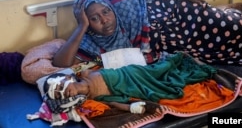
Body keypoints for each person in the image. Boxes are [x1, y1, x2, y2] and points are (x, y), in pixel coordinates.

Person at [52, 0, 242, 68]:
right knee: (215, 48)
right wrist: (82, 26)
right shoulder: (87, 38)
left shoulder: (120, 1)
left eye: (106, 12)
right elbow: (60, 64)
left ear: (110, 7)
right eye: (94, 18)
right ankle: (232, 12)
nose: (104, 20)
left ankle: (234, 13)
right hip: (169, 40)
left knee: (233, 26)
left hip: (174, 12)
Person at [47, 52, 217, 113]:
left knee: (161, 69)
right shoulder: (91, 98)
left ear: (68, 78)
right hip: (133, 87)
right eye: (58, 95)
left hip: (134, 73)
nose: (63, 92)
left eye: (60, 87)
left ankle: (179, 57)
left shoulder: (84, 73)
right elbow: (113, 102)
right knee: (164, 89)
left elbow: (85, 60)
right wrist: (130, 108)